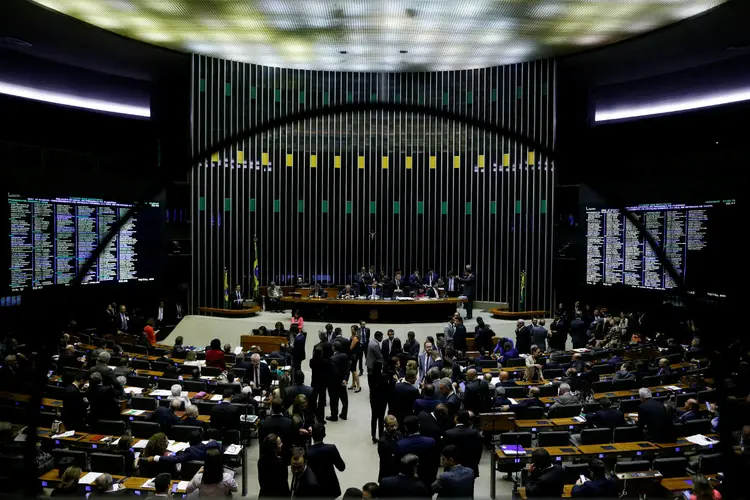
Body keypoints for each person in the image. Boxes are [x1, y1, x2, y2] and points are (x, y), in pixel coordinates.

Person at [396, 415, 439, 488]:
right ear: (419, 425)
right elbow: (436, 461)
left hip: (407, 481)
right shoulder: (431, 441)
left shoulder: (400, 444)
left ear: (405, 428)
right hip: (427, 478)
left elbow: (397, 464)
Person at [306, 423, 346, 498]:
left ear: (311, 435)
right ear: (324, 435)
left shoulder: (307, 452)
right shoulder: (331, 448)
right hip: (330, 488)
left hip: (315, 489)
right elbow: (342, 467)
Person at [443, 409, 483, 479]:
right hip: (470, 466)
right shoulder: (475, 433)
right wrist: (475, 462)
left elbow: (445, 451)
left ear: (456, 418)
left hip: (453, 466)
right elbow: (479, 449)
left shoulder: (448, 433)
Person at [258, 434, 290, 498]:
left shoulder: (261, 461)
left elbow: (261, 481)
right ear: (274, 449)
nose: (282, 444)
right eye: (280, 443)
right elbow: (284, 484)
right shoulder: (281, 464)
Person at [328, 341, 350, 420]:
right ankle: (344, 414)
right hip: (342, 381)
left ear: (333, 348)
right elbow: (347, 369)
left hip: (334, 383)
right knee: (344, 400)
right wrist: (345, 379)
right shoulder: (345, 356)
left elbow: (332, 373)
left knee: (334, 400)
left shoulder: (332, 359)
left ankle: (334, 416)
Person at [378, 415, 403, 481]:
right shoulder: (383, 441)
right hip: (388, 473)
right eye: (391, 426)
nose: (394, 428)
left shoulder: (399, 434)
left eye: (396, 425)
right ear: (385, 426)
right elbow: (386, 460)